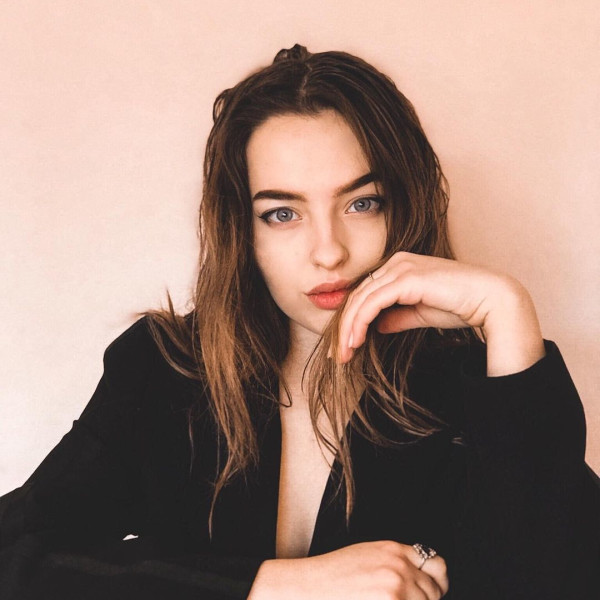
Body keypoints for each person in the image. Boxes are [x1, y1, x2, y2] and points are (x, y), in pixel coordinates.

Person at [0, 44, 598, 600]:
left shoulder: (475, 391)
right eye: (283, 213)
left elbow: (555, 578)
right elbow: (15, 558)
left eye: (362, 203)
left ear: (404, 207)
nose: (328, 252)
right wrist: (278, 586)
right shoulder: (166, 368)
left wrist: (508, 313)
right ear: (244, 232)